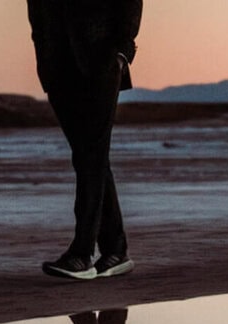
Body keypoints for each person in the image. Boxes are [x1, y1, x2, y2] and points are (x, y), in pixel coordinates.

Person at [28, 1, 143, 281]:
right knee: (88, 157)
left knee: (91, 156)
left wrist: (121, 52)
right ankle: (116, 251)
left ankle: (81, 254)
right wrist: (44, 64)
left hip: (100, 64)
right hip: (57, 69)